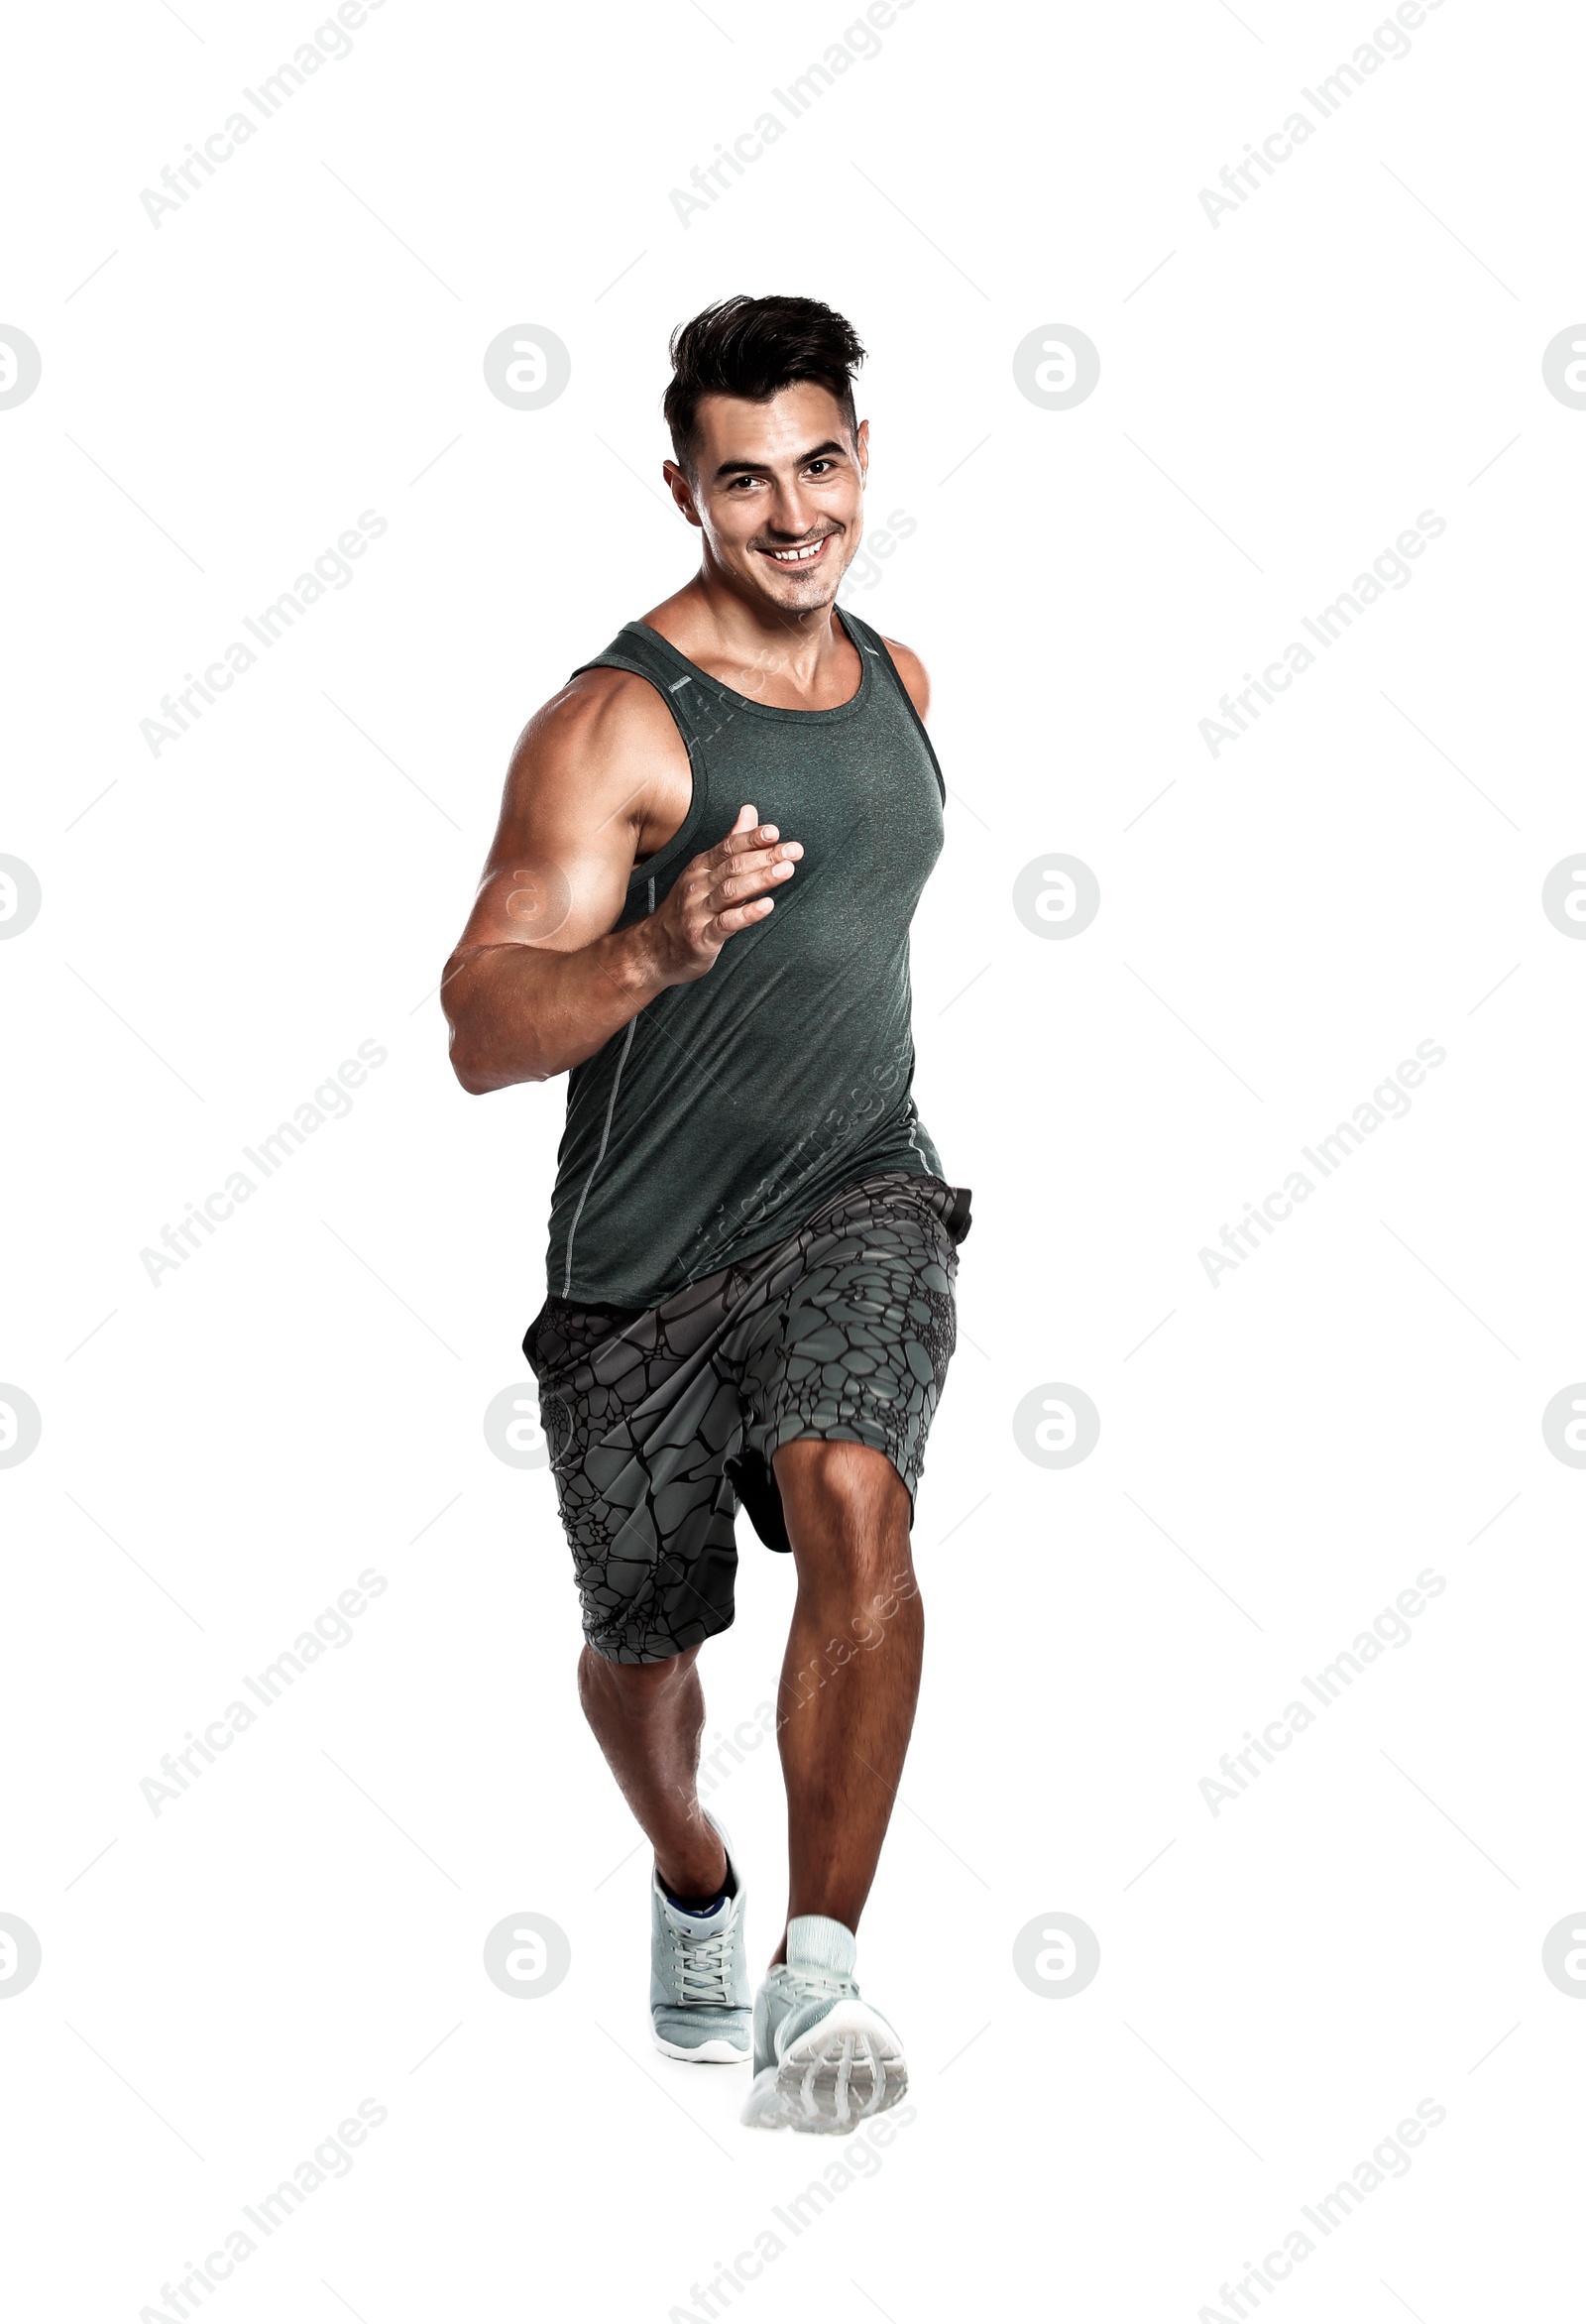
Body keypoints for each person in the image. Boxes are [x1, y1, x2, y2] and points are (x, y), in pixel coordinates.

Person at [442, 293, 969, 2134]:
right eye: (743, 482)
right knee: (645, 1648)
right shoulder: (613, 726)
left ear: (861, 459)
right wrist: (656, 944)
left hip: (860, 1195)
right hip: (640, 1279)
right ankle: (690, 1873)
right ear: (683, 489)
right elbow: (480, 1026)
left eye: (818, 465)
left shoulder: (902, 683)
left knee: (856, 1488)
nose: (791, 514)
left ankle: (815, 1984)